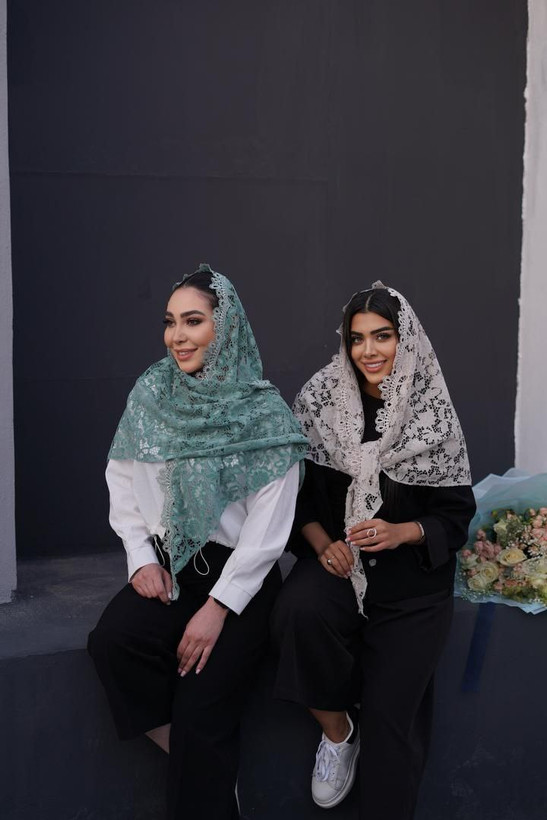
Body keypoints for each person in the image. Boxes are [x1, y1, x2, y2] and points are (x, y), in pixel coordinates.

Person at [88, 264, 307, 820]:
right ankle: (200, 767)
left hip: (241, 581)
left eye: (193, 321)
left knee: (201, 711)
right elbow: (121, 476)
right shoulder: (152, 393)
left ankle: (201, 769)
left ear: (224, 328)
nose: (177, 336)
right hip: (169, 567)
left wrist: (218, 607)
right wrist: (141, 558)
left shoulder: (263, 412)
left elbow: (269, 529)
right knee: (113, 643)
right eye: (170, 322)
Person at [271, 282, 476, 819]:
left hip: (413, 587)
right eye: (357, 338)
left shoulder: (431, 409)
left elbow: (454, 516)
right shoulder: (321, 400)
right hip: (341, 567)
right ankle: (338, 733)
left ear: (404, 339)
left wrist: (401, 531)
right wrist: (322, 544)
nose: (368, 350)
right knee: (296, 612)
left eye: (382, 336)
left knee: (392, 727)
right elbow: (294, 496)